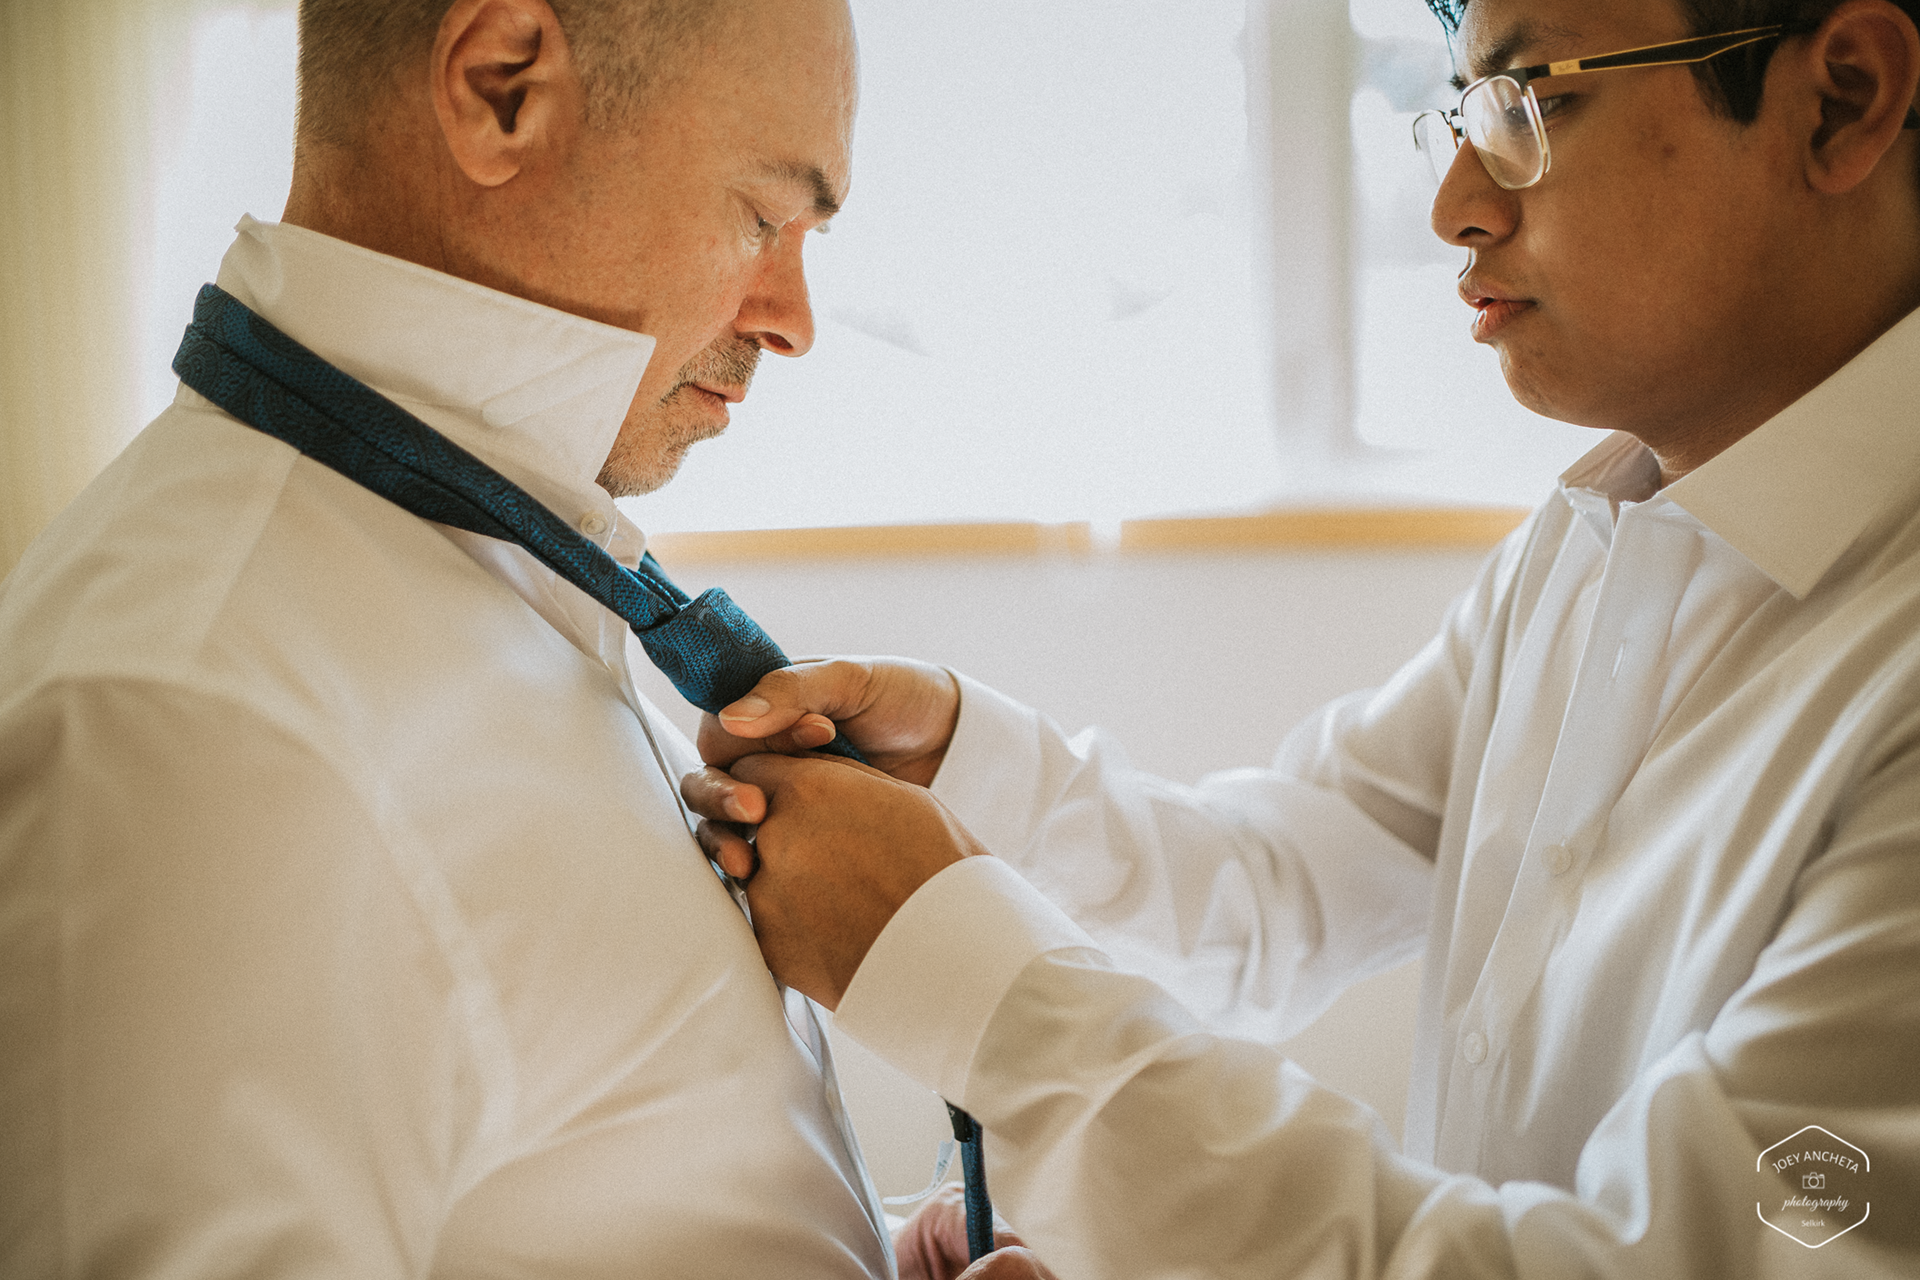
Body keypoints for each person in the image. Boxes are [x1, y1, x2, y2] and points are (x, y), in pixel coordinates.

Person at [684, 0, 1920, 1275]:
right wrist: (959, 757)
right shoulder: (1592, 541)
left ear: (1842, 97)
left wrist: (971, 985)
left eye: (1535, 99)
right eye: (1462, 112)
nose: (1453, 205)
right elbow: (1286, 881)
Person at [0, 0, 910, 1274]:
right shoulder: (187, 715)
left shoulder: (520, 555)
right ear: (500, 87)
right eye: (764, 217)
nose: (792, 318)